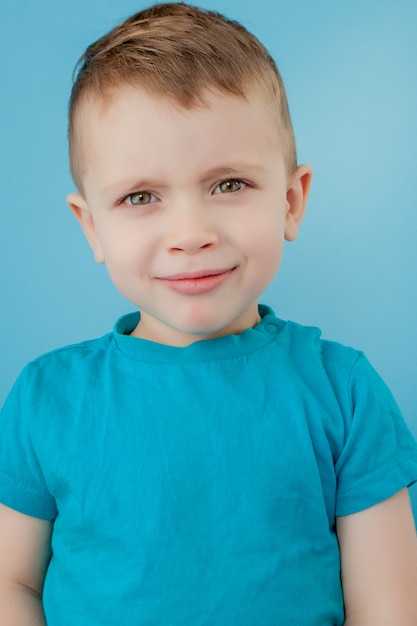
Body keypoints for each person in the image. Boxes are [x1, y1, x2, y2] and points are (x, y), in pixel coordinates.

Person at [0, 2, 417, 624]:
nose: (190, 233)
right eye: (141, 196)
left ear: (292, 200)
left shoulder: (345, 390)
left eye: (229, 185)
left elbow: (388, 607)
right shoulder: (46, 400)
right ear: (92, 226)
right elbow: (11, 583)